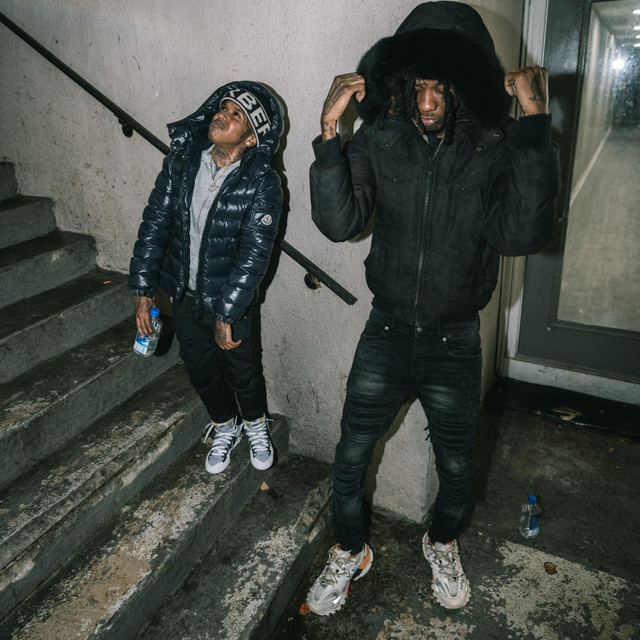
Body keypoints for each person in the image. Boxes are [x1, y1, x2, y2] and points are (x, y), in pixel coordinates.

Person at [306, 2, 560, 615]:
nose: (426, 101)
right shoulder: (379, 139)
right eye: (417, 85)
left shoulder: (493, 148)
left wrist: (534, 122)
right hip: (386, 331)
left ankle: (441, 542)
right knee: (350, 456)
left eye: (440, 88)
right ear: (401, 83)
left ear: (462, 89)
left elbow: (520, 235)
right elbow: (339, 223)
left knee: (456, 468)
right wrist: (329, 134)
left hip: (455, 340)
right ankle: (349, 550)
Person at [129, 81, 284, 475]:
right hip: (185, 295)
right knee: (197, 366)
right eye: (223, 108)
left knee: (241, 370)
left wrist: (226, 313)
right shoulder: (182, 162)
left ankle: (255, 424)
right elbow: (155, 225)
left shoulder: (262, 182)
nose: (222, 116)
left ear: (251, 138)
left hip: (230, 300)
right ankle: (225, 424)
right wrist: (143, 290)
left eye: (236, 116)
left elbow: (254, 256)